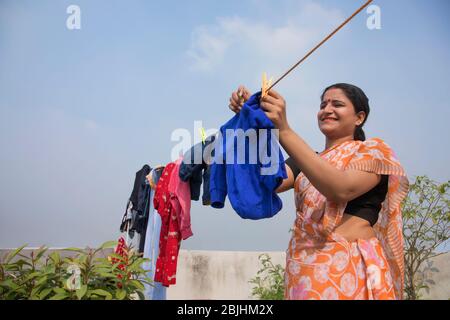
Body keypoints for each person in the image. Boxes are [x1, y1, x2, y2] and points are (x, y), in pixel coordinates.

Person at [228, 83, 409, 300]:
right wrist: (251, 120)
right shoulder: (302, 162)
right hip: (304, 272)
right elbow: (259, 184)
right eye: (323, 104)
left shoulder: (373, 151)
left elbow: (340, 188)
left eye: (337, 104)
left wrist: (283, 130)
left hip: (353, 268)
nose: (327, 109)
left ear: (359, 117)